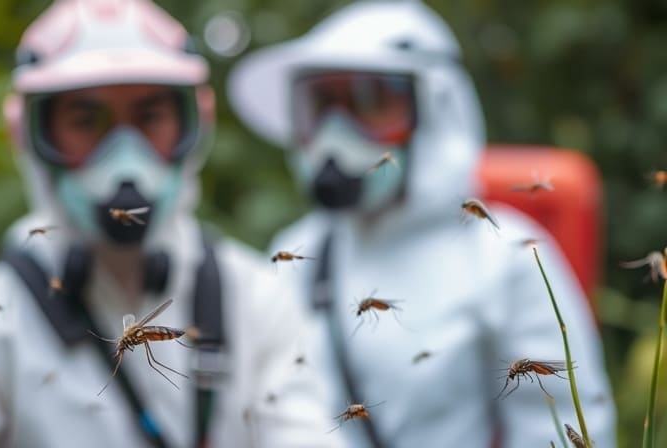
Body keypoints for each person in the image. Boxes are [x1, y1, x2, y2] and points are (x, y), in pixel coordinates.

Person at [0, 1, 341, 447]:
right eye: (87, 120)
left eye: (149, 117)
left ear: (194, 125)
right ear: (32, 135)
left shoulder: (255, 297)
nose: (125, 157)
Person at [228, 1, 616, 447]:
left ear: (433, 110)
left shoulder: (506, 257)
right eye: (321, 104)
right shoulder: (296, 251)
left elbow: (564, 430)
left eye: (368, 102)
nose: (337, 131)